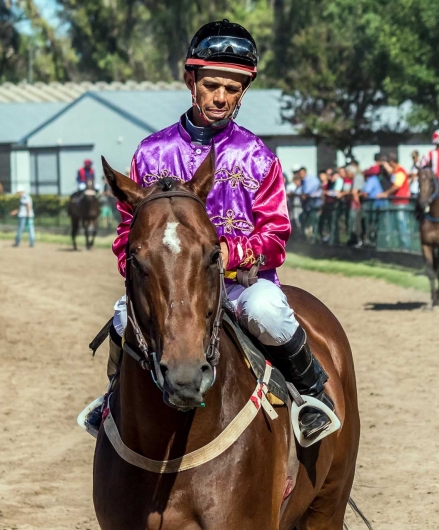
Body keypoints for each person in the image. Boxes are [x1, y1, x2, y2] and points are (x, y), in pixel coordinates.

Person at [83, 19, 336, 444]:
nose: (221, 97)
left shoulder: (259, 157)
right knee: (124, 314)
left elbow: (275, 236)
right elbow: (129, 229)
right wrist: (141, 264)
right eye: (212, 85)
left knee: (269, 313)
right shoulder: (151, 152)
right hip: (172, 286)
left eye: (233, 88)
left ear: (243, 91)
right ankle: (113, 398)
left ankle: (315, 396)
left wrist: (227, 253)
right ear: (191, 80)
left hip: (241, 285)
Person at [377, 153, 411, 249]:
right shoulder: (396, 171)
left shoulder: (400, 172)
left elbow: (397, 185)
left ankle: (405, 245)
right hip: (396, 201)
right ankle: (400, 244)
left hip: (401, 201)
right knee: (397, 224)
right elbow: (391, 172)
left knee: (401, 224)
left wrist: (386, 193)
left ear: (392, 162)